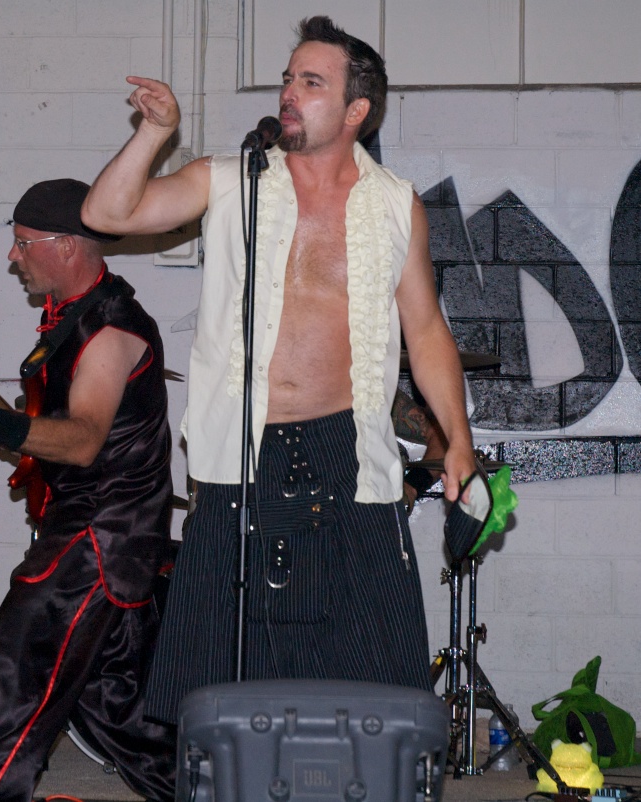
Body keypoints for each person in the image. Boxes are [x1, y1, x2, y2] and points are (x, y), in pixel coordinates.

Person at [80, 16, 476, 723]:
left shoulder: (393, 205)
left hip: (349, 451)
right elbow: (107, 212)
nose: (290, 91)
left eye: (311, 81)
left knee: (376, 680)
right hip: (241, 450)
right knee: (222, 684)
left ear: (355, 110)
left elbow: (426, 332)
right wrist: (153, 133)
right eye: (288, 77)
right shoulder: (230, 180)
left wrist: (460, 442)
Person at [0, 178, 176, 802]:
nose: (12, 258)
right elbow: (38, 439)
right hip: (103, 540)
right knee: (114, 707)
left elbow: (83, 441)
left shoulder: (110, 329)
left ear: (68, 246)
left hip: (98, 539)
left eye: (22, 244)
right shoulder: (71, 319)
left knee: (18, 669)